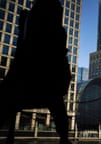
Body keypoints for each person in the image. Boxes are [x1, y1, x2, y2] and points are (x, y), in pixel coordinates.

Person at [0, 0, 72, 144]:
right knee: (56, 102)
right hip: (44, 81)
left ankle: (64, 137)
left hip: (34, 79)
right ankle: (64, 138)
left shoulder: (35, 23)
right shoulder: (55, 30)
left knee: (7, 101)